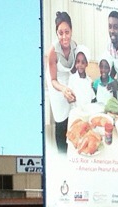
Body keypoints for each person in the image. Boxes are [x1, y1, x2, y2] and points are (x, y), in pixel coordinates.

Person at [46, 11, 78, 153]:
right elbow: (53, 80)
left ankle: (72, 147)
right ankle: (61, 151)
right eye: (60, 33)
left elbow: (73, 69)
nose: (64, 37)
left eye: (67, 32)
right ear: (56, 33)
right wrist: (63, 89)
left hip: (66, 79)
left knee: (73, 113)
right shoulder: (53, 51)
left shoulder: (74, 46)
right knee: (61, 119)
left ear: (71, 31)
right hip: (55, 83)